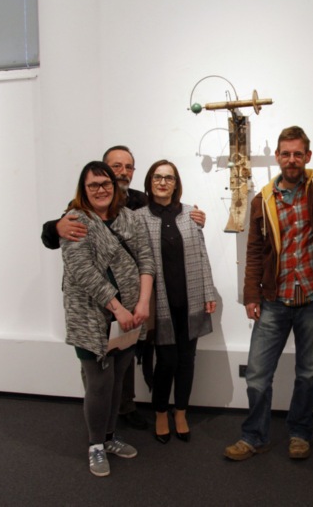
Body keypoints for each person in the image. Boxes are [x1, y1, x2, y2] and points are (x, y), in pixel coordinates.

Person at [41, 145, 205, 430]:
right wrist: (55, 227)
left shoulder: (139, 202)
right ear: (103, 169)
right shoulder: (82, 206)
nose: (122, 172)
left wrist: (195, 216)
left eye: (128, 167)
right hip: (93, 305)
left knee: (127, 356)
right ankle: (101, 425)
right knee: (99, 372)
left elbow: (164, 213)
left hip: (135, 299)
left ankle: (123, 409)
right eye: (116, 166)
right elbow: (63, 242)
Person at [224, 126, 313, 462]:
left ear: (308, 156)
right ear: (277, 156)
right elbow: (254, 251)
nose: (292, 160)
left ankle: (300, 433)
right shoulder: (263, 200)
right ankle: (254, 436)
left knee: (308, 373)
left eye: (298, 154)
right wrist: (251, 295)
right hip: (274, 300)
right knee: (257, 376)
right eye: (286, 154)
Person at [60, 160, 155, 477]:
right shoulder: (75, 220)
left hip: (130, 316)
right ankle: (95, 445)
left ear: (115, 187)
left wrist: (142, 303)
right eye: (93, 185)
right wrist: (118, 308)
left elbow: (146, 260)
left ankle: (110, 437)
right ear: (84, 189)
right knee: (99, 383)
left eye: (105, 184)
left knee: (117, 379)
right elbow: (82, 271)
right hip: (90, 316)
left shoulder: (130, 218)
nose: (100, 190)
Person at [136, 160, 216, 444]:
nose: (163, 182)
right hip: (159, 304)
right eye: (157, 177)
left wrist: (208, 292)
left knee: (187, 361)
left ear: (176, 184)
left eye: (168, 178)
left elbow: (202, 255)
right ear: (150, 182)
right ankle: (160, 412)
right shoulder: (138, 217)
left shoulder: (190, 214)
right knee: (166, 361)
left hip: (189, 300)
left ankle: (180, 411)